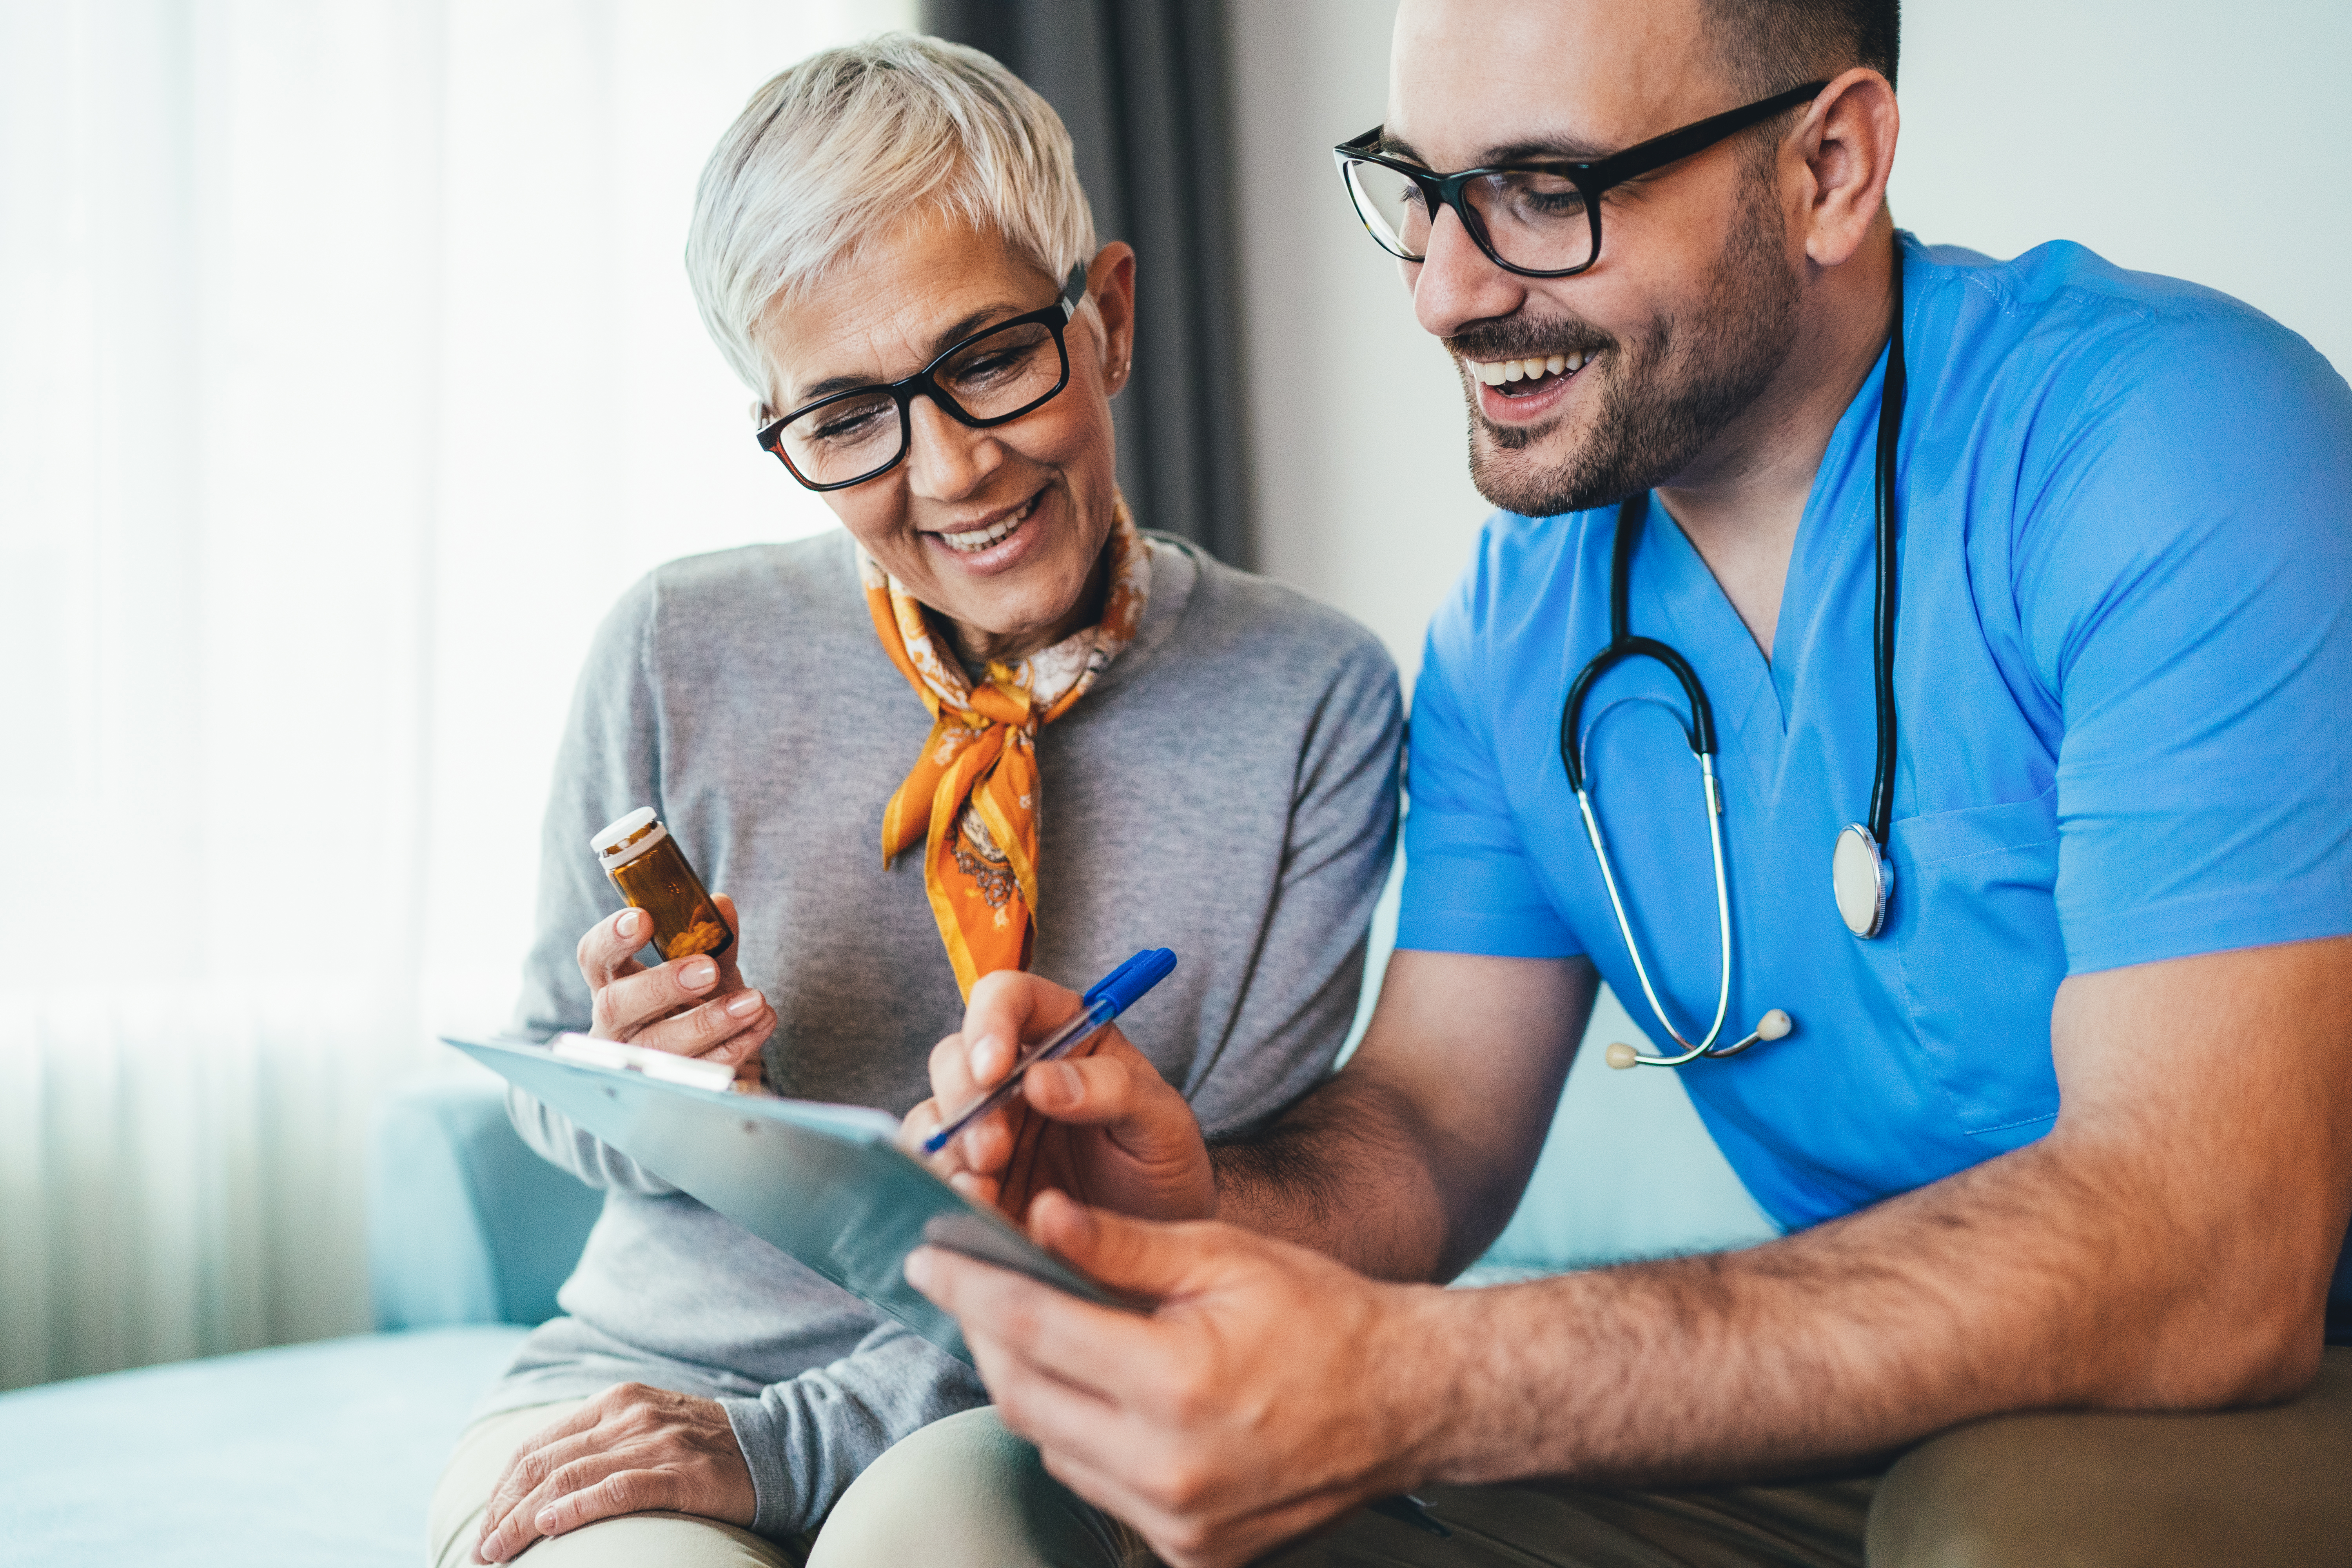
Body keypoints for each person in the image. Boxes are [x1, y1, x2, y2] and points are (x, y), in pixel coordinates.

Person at [819, 1, 2352, 1564]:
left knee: (2013, 1523)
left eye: (1547, 195)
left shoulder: (2163, 442)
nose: (1443, 292)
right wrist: (1184, 1205)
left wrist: (1419, 1379)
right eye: (1420, 192)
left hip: (2267, 1370)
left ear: (1830, 165)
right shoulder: (1520, 622)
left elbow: (2214, 1257)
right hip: (1880, 1409)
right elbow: (1429, 1124)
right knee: (1007, 1497)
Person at [423, 34, 1403, 1568]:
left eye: (992, 357)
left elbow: (1188, 1244)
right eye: (844, 419)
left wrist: (794, 1443)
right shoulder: (674, 645)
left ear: (1114, 319)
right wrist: (643, 1080)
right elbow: (556, 1092)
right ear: (781, 429)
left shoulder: (1312, 705)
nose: (947, 472)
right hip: (650, 1377)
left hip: (1050, 1391)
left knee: (940, 1538)